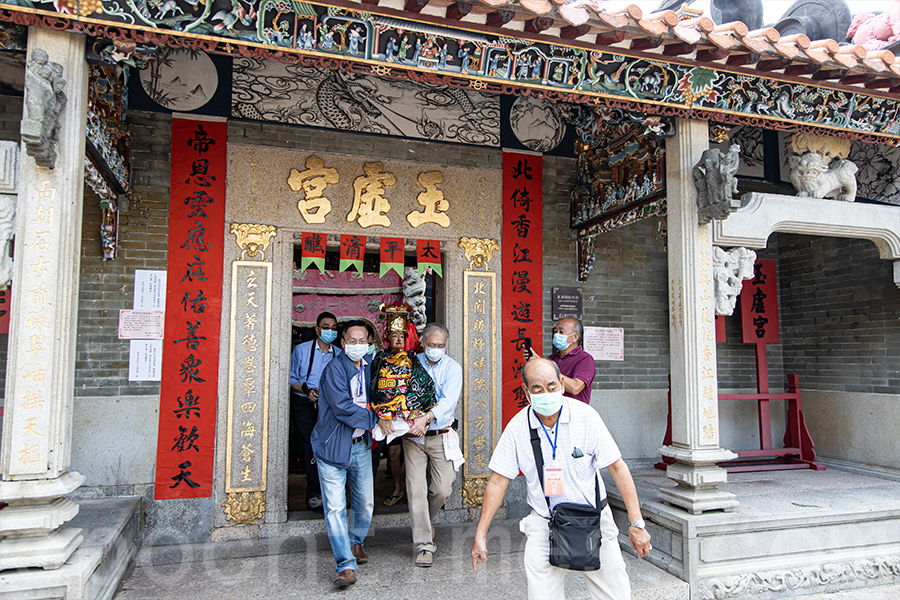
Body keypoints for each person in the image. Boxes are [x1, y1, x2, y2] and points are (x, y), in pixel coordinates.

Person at [471, 358, 651, 600]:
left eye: (551, 386)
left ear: (562, 384)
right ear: (526, 392)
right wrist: (481, 534)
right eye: (537, 389)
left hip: (594, 520)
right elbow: (498, 481)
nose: (546, 394)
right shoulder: (517, 427)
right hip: (545, 524)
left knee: (615, 594)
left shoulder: (586, 416)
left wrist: (636, 523)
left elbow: (618, 468)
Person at [311, 320, 386, 588]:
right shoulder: (334, 369)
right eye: (352, 341)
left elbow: (380, 397)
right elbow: (342, 407)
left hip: (360, 446)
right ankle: (345, 565)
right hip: (332, 448)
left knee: (365, 502)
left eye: (362, 341)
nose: (357, 346)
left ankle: (356, 542)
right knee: (334, 507)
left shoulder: (370, 368)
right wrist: (376, 419)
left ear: (369, 344)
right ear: (343, 343)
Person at [405, 322, 462, 567]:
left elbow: (448, 402)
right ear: (423, 343)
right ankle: (424, 545)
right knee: (416, 491)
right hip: (413, 439)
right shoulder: (410, 364)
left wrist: (426, 417)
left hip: (440, 434)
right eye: (432, 345)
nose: (436, 349)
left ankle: (424, 524)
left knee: (442, 489)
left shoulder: (453, 368)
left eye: (440, 346)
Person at [368, 307, 437, 507]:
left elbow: (425, 386)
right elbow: (373, 387)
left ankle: (412, 490)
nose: (398, 339)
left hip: (410, 414)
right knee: (393, 452)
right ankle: (397, 487)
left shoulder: (413, 358)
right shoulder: (379, 359)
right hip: (387, 415)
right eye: (394, 335)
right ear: (387, 337)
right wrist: (382, 411)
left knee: (413, 452)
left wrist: (409, 406)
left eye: (401, 335)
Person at [289, 311, 340, 510]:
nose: (330, 331)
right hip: (304, 403)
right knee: (312, 446)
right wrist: (306, 390)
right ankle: (314, 493)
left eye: (334, 328)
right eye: (326, 327)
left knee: (329, 447)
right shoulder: (301, 350)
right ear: (317, 329)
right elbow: (291, 379)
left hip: (329, 406)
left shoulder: (339, 354)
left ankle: (331, 494)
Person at [526, 317, 595, 404]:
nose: (556, 335)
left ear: (575, 337)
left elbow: (575, 388)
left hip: (574, 413)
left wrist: (545, 365)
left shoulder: (585, 359)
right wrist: (536, 364)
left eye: (561, 332)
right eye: (555, 331)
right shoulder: (552, 358)